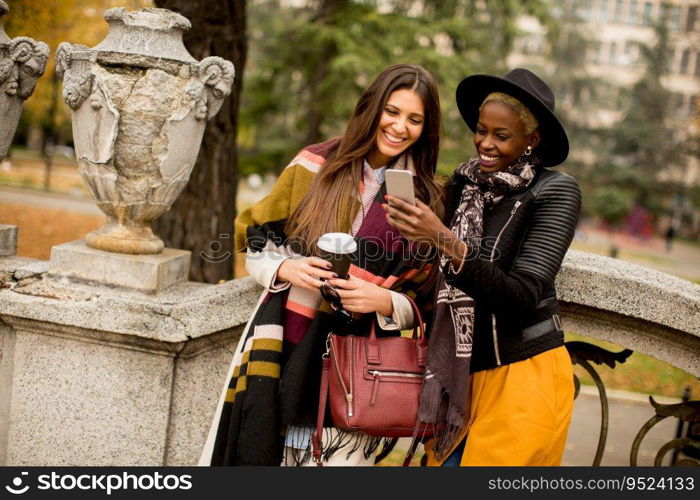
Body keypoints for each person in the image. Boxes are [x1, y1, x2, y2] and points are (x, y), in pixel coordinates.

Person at [199, 64, 443, 466]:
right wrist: (285, 269)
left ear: (426, 127)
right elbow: (255, 237)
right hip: (282, 343)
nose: (400, 126)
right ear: (372, 107)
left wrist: (382, 300)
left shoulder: (423, 200)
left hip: (358, 366)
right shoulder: (314, 165)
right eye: (392, 111)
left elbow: (424, 296)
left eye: (414, 119)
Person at [383, 68, 581, 466]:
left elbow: (524, 295)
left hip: (523, 375)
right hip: (459, 377)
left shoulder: (555, 191)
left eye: (501, 135)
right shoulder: (463, 185)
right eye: (481, 130)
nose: (485, 144)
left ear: (532, 139)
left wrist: (443, 239)